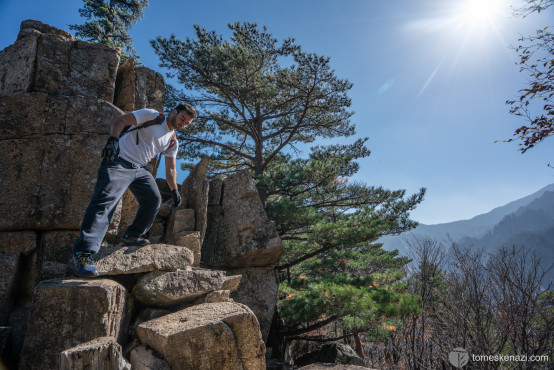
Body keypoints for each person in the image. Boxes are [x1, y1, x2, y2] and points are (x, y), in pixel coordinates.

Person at [70, 103, 197, 277]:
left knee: (153, 200)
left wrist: (174, 190)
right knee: (105, 203)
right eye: (182, 118)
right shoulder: (152, 116)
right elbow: (120, 120)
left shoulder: (172, 140)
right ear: (174, 112)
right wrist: (113, 140)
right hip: (118, 161)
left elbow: (171, 169)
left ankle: (132, 235)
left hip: (139, 169)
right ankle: (82, 255)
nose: (183, 123)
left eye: (187, 123)